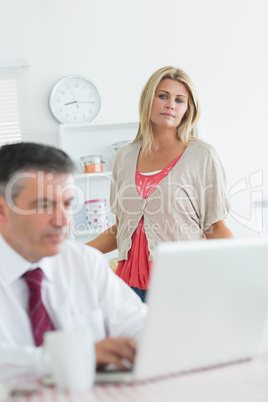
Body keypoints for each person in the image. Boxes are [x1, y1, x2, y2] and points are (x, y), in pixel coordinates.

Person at [0, 142, 147, 383]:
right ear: (2, 210)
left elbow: (137, 324)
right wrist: (78, 356)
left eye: (67, 204)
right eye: (44, 205)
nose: (61, 221)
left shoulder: (85, 262)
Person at [87, 66, 233, 302]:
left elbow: (216, 228)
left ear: (187, 109)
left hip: (182, 285)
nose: (170, 105)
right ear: (148, 100)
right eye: (163, 95)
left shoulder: (202, 155)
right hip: (127, 289)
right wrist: (74, 252)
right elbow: (119, 229)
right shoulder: (124, 157)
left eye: (180, 100)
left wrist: (230, 276)